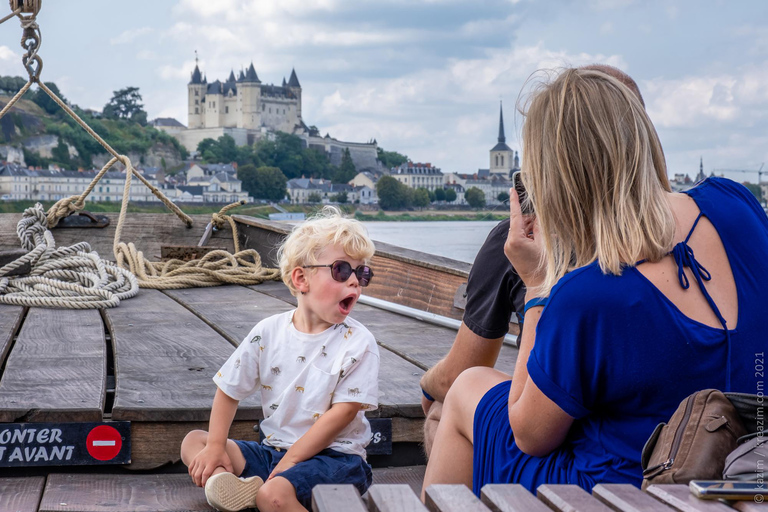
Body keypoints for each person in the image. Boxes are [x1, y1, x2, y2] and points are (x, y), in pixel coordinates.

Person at [421, 67, 768, 498]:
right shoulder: (737, 203)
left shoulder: (589, 295)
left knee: (467, 388)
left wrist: (536, 285)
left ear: (559, 179)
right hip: (746, 463)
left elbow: (530, 433)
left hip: (630, 489)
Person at [419, 64, 647, 459]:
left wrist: (426, 384)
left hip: (581, 450)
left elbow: (521, 423)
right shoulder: (674, 235)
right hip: (670, 441)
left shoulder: (523, 243)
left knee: (444, 407)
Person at [181, 206, 380, 512]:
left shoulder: (358, 342)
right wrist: (217, 448)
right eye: (342, 270)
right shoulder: (269, 332)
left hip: (337, 460)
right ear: (301, 278)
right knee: (195, 442)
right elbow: (228, 389)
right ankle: (227, 484)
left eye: (362, 273)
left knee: (272, 497)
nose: (354, 281)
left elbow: (342, 414)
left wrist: (291, 462)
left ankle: (263, 494)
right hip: (273, 452)